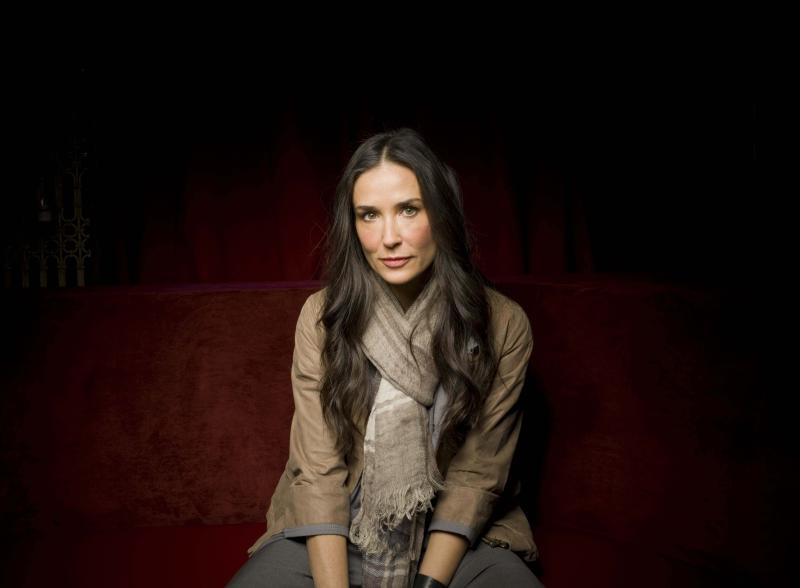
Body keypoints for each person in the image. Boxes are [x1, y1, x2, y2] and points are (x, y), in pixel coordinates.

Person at [226, 128, 544, 588]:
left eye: (409, 209)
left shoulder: (503, 324)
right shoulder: (323, 317)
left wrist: (428, 584)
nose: (389, 238)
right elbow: (319, 471)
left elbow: (477, 475)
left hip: (454, 536)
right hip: (338, 530)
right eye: (369, 215)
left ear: (441, 214)